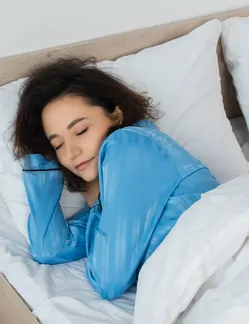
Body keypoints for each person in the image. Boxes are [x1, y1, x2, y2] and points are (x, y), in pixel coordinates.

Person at [13, 57, 219, 301]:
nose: (71, 153)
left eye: (81, 131)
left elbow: (108, 280)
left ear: (116, 115)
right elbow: (51, 249)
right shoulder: (106, 204)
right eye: (57, 145)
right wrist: (42, 169)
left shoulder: (131, 145)